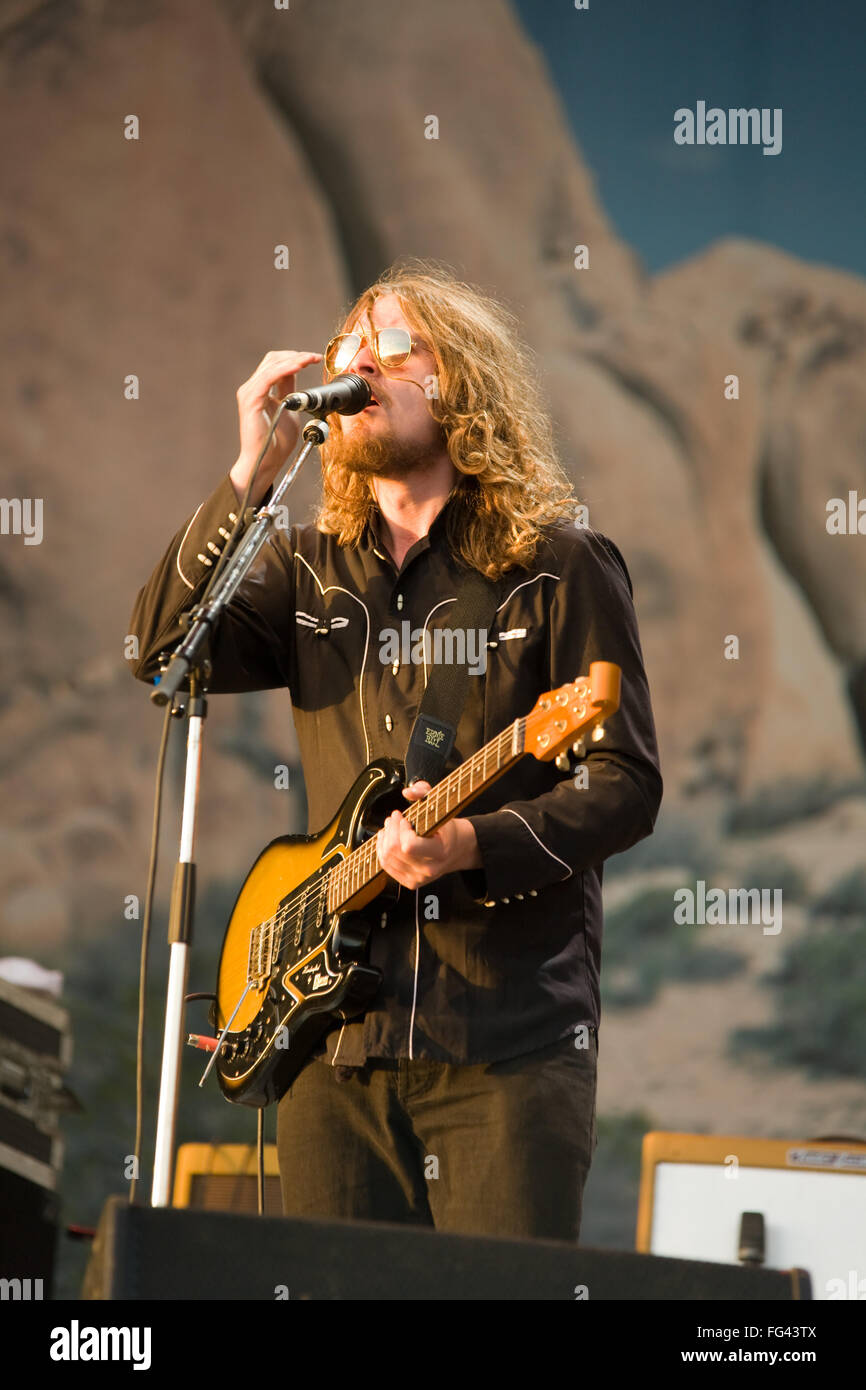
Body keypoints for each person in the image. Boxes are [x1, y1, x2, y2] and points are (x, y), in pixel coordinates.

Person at [129, 260, 662, 1243]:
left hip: (502, 1047)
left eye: (394, 346)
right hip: (331, 1048)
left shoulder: (559, 563)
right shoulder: (305, 567)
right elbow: (160, 649)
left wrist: (471, 845)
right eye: (351, 349)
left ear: (455, 380)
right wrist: (250, 468)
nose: (362, 362)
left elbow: (625, 785)